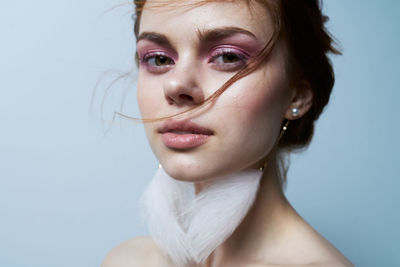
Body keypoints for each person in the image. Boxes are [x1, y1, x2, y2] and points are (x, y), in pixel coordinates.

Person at [102, 0, 353, 266]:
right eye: (159, 59)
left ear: (298, 95)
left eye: (228, 57)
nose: (176, 85)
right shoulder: (127, 260)